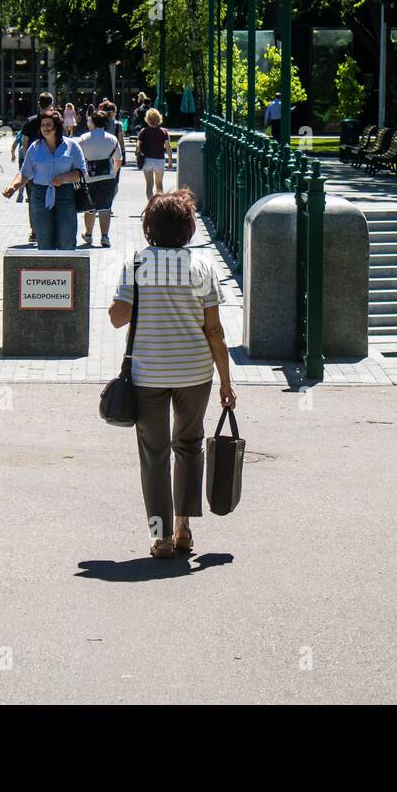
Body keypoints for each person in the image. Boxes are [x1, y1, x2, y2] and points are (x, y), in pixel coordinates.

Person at [108, 188, 235, 558]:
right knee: (189, 446)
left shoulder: (137, 264)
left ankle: (159, 536)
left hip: (148, 374)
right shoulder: (203, 267)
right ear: (188, 229)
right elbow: (215, 331)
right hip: (195, 372)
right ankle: (183, 529)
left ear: (149, 227)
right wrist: (226, 381)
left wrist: (144, 298)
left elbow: (117, 318)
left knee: (154, 454)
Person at [2, 110, 86, 250]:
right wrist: (13, 186)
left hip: (65, 194)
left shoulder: (72, 146)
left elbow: (82, 172)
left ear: (57, 126)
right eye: (43, 125)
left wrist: (63, 178)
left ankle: (66, 268)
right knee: (44, 239)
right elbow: (25, 173)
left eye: (49, 124)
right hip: (40, 194)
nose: (45, 128)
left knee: (66, 238)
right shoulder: (34, 148)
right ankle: (47, 268)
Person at [11, 92, 56, 242]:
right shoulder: (55, 120)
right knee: (52, 194)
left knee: (33, 198)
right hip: (51, 165)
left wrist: (25, 163)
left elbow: (24, 144)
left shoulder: (30, 121)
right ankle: (50, 227)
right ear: (51, 103)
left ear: (38, 103)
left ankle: (34, 230)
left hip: (32, 165)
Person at [78, 110, 122, 247]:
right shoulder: (112, 139)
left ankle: (89, 234)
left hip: (89, 176)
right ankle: (105, 236)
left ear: (93, 122)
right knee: (105, 208)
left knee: (89, 208)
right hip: (107, 176)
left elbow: (77, 157)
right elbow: (118, 160)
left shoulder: (84, 138)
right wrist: (113, 173)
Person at [136, 107, 174, 201]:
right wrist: (170, 161)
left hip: (147, 159)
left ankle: (150, 205)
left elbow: (138, 147)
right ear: (159, 119)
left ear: (147, 119)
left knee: (149, 185)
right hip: (159, 160)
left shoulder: (143, 131)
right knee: (159, 184)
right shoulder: (164, 131)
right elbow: (168, 147)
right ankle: (159, 205)